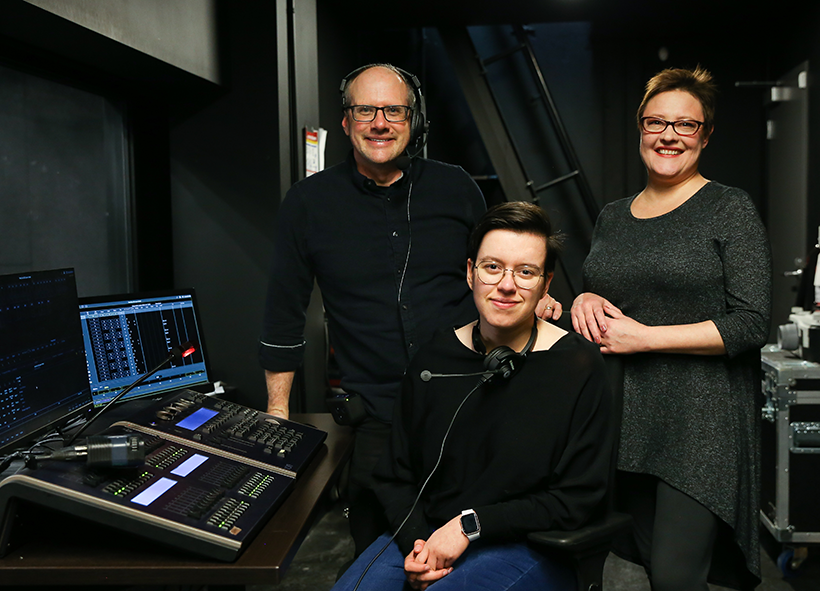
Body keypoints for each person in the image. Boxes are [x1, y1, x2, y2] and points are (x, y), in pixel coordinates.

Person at [259, 64, 561, 559]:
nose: (380, 123)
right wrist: (277, 412)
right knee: (381, 556)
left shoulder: (456, 187)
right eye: (366, 110)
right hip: (377, 419)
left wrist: (533, 304)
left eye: (394, 111)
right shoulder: (307, 203)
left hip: (471, 402)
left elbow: (496, 267)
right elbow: (283, 311)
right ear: (346, 121)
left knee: (477, 549)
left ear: (412, 120)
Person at [332, 201, 614, 591]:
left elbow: (578, 498)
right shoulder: (433, 360)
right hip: (429, 533)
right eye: (492, 267)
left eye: (525, 272)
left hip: (529, 543)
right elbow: (395, 477)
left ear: (546, 283)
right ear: (470, 272)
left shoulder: (578, 366)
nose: (507, 285)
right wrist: (420, 546)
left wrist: (470, 526)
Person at [571, 66, 771, 590]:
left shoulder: (729, 208)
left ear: (706, 135)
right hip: (625, 416)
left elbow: (751, 323)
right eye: (656, 122)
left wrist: (645, 338)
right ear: (641, 128)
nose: (669, 135)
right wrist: (585, 297)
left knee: (676, 577)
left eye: (686, 124)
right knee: (642, 565)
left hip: (698, 424)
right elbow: (610, 295)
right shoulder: (613, 216)